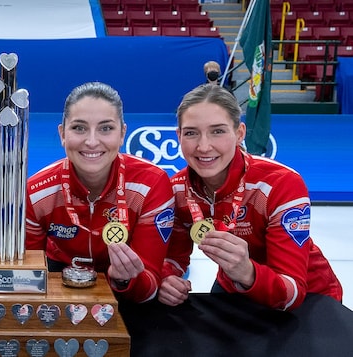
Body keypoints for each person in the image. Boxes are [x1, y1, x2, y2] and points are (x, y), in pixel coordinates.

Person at [158, 83, 343, 310]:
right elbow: (174, 258)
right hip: (234, 286)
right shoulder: (177, 189)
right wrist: (166, 278)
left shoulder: (279, 183)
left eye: (218, 131)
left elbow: (293, 293)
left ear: (239, 133)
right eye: (191, 133)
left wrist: (247, 272)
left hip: (309, 297)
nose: (203, 146)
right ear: (178, 136)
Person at [25, 81, 175, 303]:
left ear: (122, 133)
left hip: (126, 293)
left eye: (106, 128)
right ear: (62, 134)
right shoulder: (38, 192)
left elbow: (149, 289)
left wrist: (125, 281)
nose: (92, 141)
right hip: (59, 282)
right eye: (79, 128)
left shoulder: (150, 185)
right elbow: (29, 280)